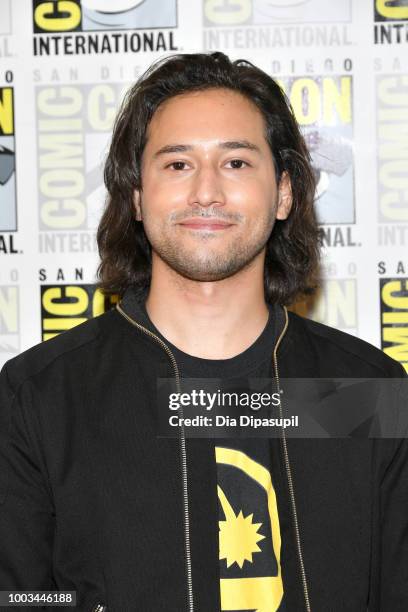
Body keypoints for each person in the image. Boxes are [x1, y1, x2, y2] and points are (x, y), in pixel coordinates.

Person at [0, 52, 406, 612]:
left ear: (284, 191)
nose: (207, 193)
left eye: (236, 163)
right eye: (177, 165)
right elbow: (20, 598)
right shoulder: (42, 398)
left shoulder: (363, 392)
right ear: (137, 196)